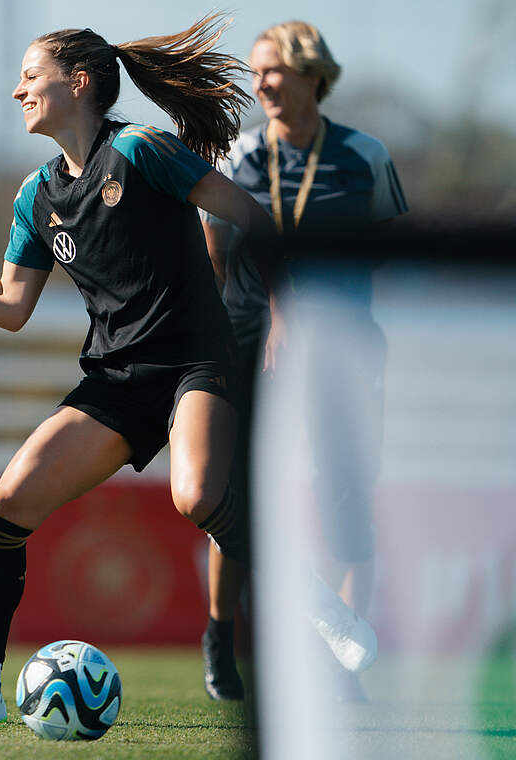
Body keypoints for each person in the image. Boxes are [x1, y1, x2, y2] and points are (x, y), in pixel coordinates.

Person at [0, 15, 284, 725]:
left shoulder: (142, 149)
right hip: (115, 380)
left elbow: (251, 218)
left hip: (195, 358)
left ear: (81, 83)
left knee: (194, 499)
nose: (17, 91)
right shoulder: (35, 197)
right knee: (5, 508)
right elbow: (11, 307)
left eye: (31, 77)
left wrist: (282, 312)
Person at [199, 20, 406, 702]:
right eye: (255, 73)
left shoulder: (365, 156)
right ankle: (220, 639)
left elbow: (393, 247)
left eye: (273, 71)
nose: (260, 84)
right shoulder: (236, 154)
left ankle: (346, 660)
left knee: (349, 503)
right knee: (238, 498)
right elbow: (215, 251)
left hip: (345, 349)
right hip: (249, 342)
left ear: (313, 75)